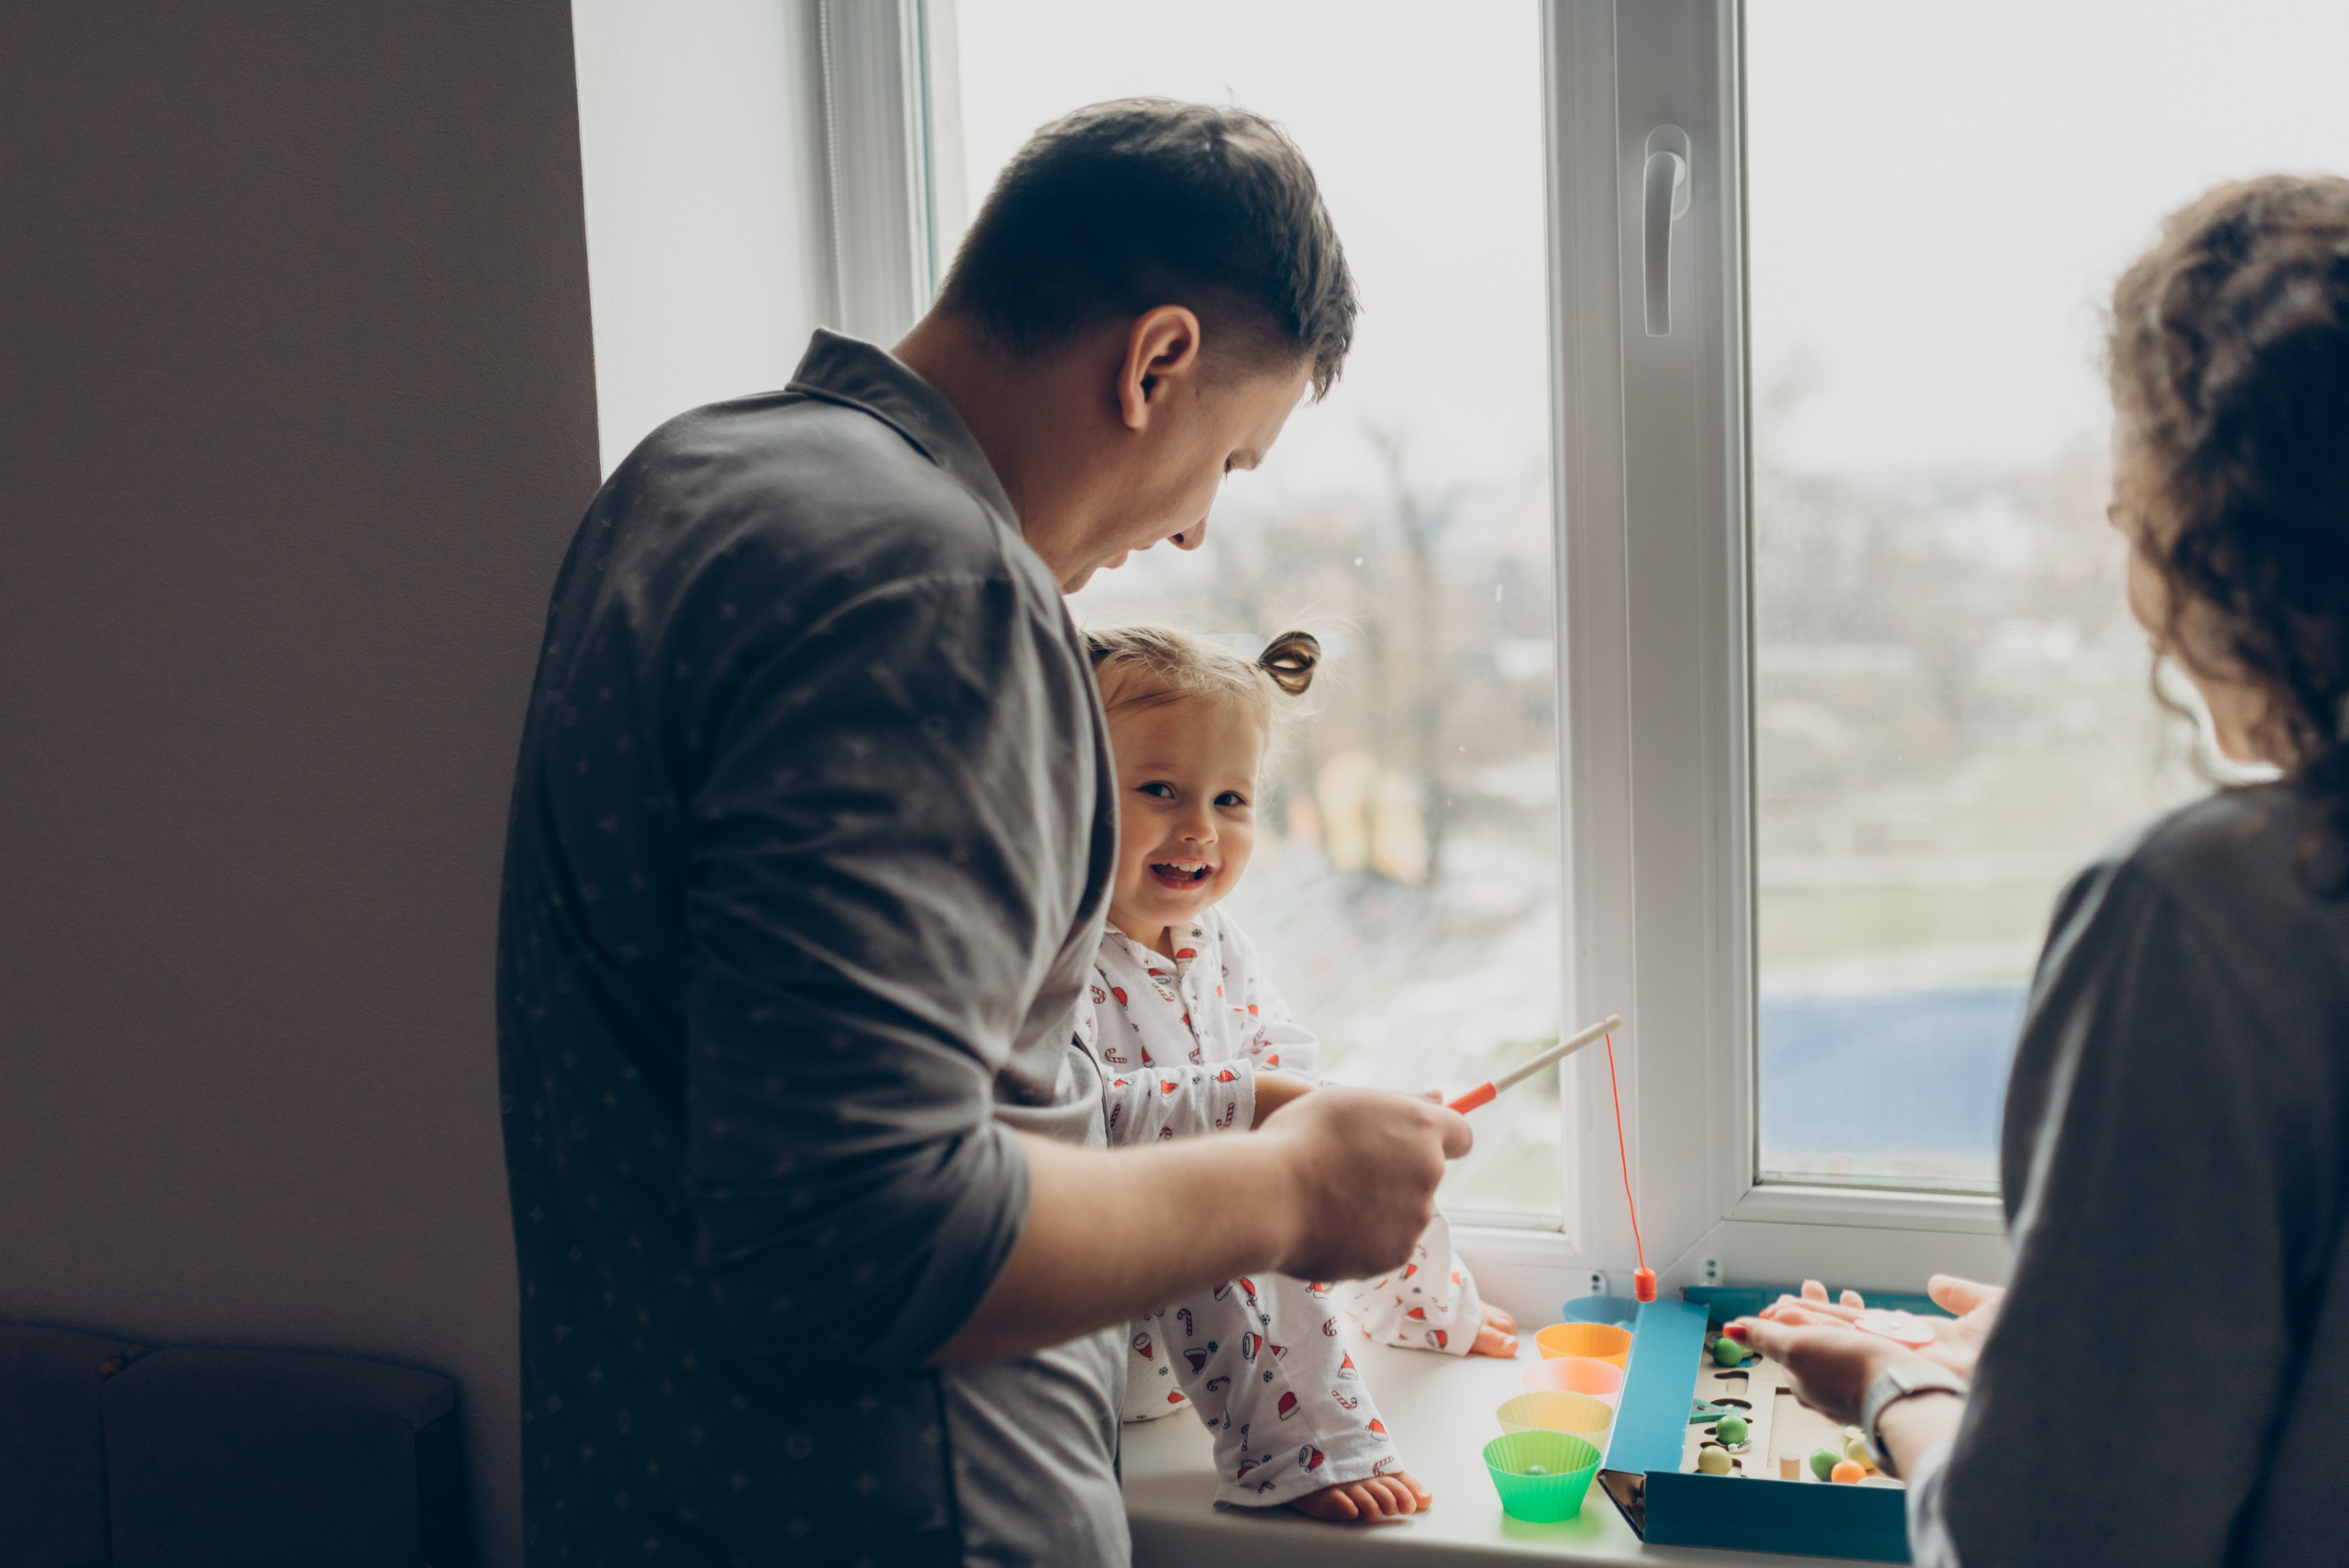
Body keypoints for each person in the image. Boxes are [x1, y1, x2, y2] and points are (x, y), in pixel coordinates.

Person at [495, 100, 1472, 1568]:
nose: (1201, 531)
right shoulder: (927, 583)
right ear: (1157, 362)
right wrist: (1292, 1188)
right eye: (1233, 461)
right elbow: (864, 1232)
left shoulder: (687, 480)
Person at [1738, 174, 2349, 1567]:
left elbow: (2052, 1547)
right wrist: (2090, 1357)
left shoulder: (2208, 919)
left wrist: (1907, 1391)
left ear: (2209, 533)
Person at [1071, 625, 1520, 1523]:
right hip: (1123, 1336)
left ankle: (1422, 1306)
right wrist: (1259, 1105)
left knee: (1364, 1144)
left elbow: (1279, 1042)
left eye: (1231, 798)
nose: (1200, 827)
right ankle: (1302, 1450)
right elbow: (1083, 1119)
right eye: (1159, 789)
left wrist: (1321, 1109)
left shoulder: (1211, 938)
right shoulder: (1058, 956)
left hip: (1209, 1351)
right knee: (1235, 1203)